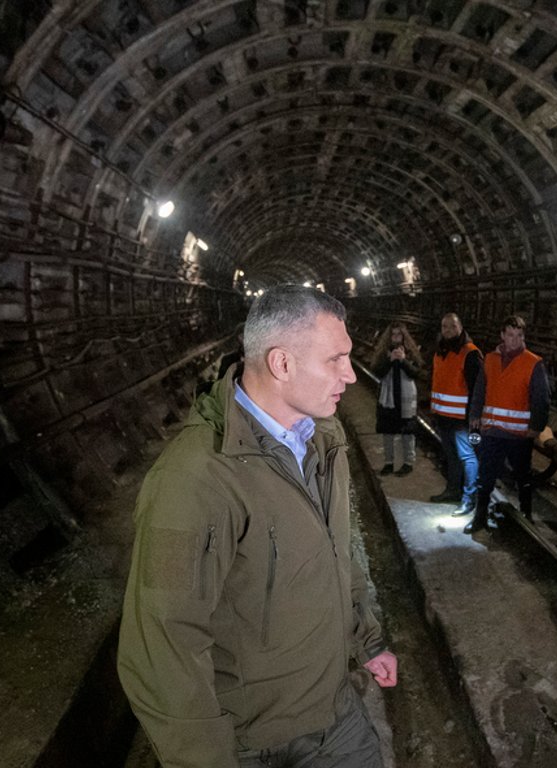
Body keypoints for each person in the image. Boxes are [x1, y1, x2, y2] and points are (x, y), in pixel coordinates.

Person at [117, 285, 399, 768]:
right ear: (282, 364)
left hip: (334, 709)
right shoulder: (196, 480)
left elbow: (335, 550)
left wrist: (366, 637)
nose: (350, 375)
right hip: (256, 741)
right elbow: (164, 644)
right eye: (335, 360)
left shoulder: (322, 441)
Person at [464, 315, 549, 534]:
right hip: (492, 431)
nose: (514, 340)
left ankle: (527, 514)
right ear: (502, 335)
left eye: (519, 336)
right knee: (486, 475)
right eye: (510, 335)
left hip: (519, 434)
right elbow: (480, 389)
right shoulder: (490, 359)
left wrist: (536, 427)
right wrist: (475, 413)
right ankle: (480, 517)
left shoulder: (533, 362)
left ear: (523, 337)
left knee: (523, 475)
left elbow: (541, 398)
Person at [427, 313, 483, 516]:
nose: (448, 330)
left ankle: (469, 499)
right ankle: (453, 491)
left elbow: (479, 388)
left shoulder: (469, 353)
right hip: (444, 417)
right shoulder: (440, 352)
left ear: (460, 327)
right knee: (451, 456)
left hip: (463, 420)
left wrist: (473, 418)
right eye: (444, 326)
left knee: (467, 457)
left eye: (452, 326)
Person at [371, 321, 424, 476]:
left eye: (398, 334)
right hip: (388, 398)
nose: (396, 337)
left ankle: (408, 462)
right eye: (393, 334)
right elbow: (377, 372)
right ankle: (389, 462)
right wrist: (390, 360)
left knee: (407, 432)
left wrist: (403, 361)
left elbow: (416, 373)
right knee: (387, 431)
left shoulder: (411, 352)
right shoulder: (383, 352)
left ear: (403, 336)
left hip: (406, 398)